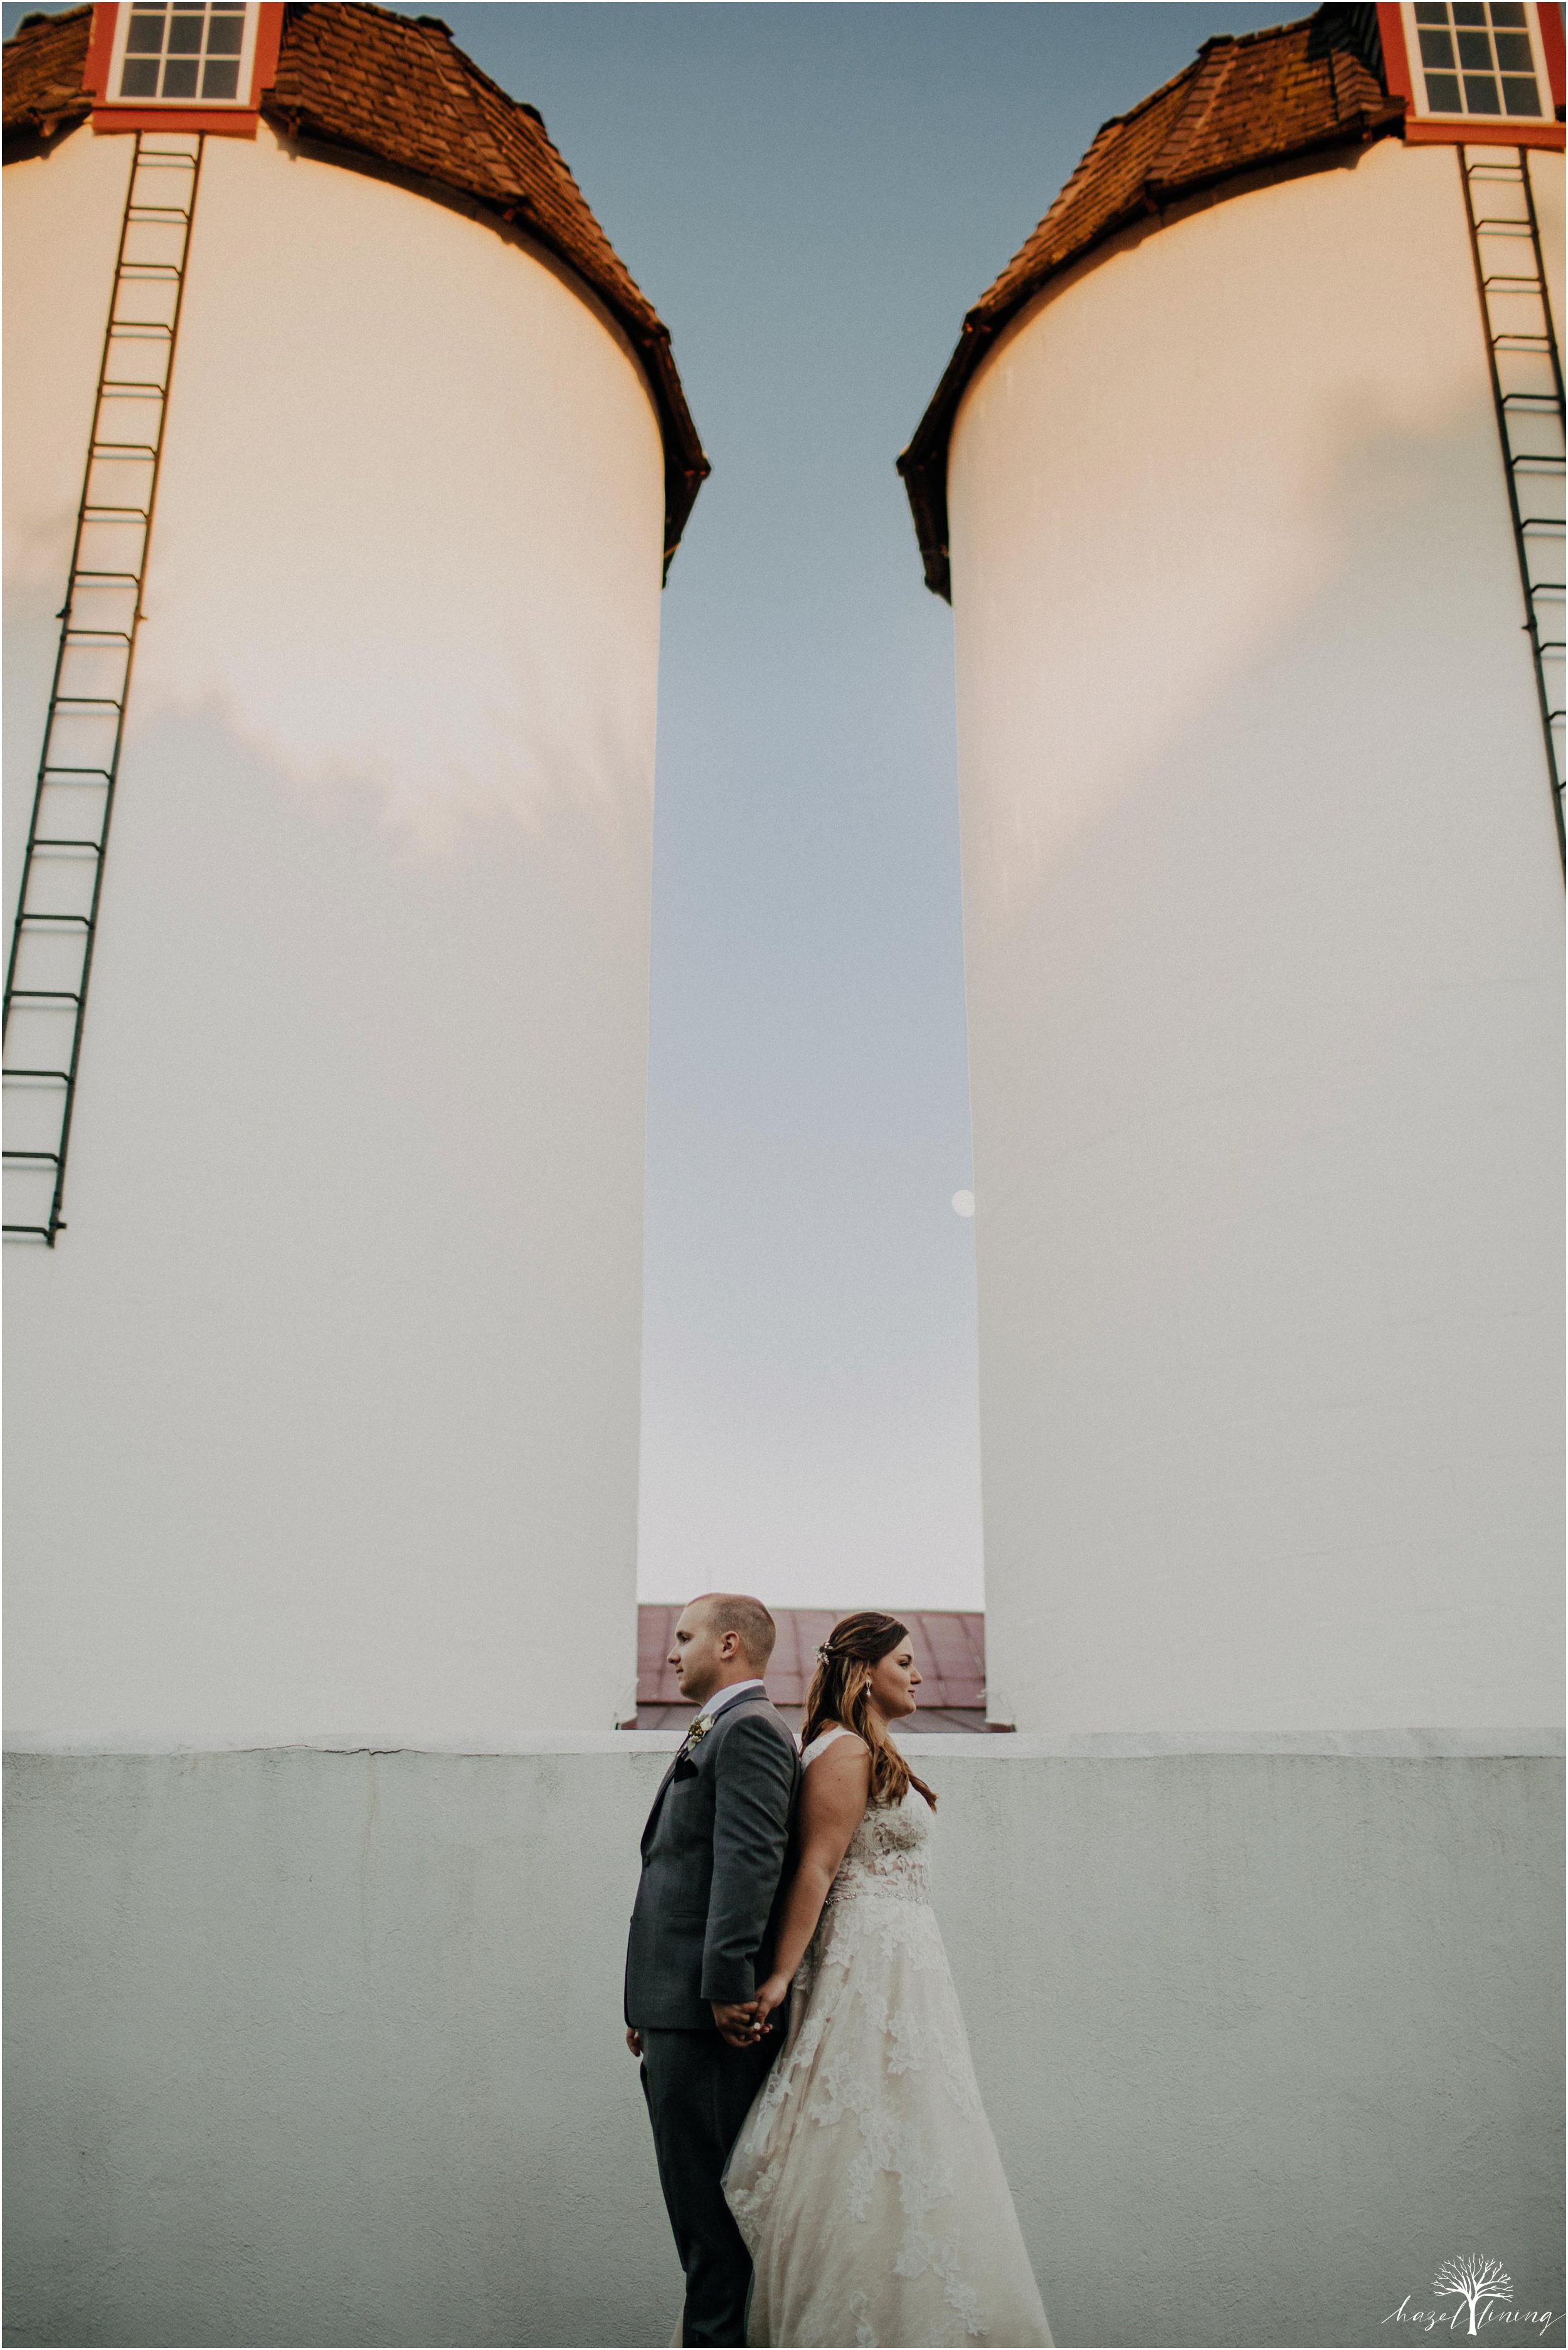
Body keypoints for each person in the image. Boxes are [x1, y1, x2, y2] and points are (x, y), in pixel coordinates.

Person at [721, 1612, 1054, 2347]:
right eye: (905, 1661)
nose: (920, 1673)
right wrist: (778, 1977)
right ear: (865, 1671)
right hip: (868, 1960)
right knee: (861, 2138)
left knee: (912, 2138)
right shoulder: (841, 1751)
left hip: (906, 1963)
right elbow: (817, 1867)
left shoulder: (865, 1747)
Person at [625, 1592, 802, 2349]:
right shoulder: (717, 1726)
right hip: (673, 2011)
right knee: (701, 2230)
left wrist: (725, 1989)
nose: (671, 1651)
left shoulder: (752, 1729)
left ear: (730, 1645)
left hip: (707, 2021)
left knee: (714, 2238)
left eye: (685, 1636)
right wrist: (643, 2000)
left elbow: (747, 1864)